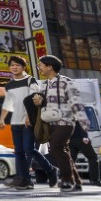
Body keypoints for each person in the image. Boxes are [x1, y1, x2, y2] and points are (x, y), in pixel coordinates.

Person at [32, 55, 89, 193]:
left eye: (41, 65)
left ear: (50, 67)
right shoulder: (43, 84)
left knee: (56, 148)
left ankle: (66, 179)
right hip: (49, 123)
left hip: (65, 122)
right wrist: (39, 102)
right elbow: (42, 103)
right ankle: (77, 181)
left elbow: (76, 103)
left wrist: (84, 125)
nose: (39, 67)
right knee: (64, 151)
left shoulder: (66, 82)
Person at [0, 55, 50, 190]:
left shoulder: (30, 80)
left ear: (23, 67)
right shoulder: (9, 84)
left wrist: (28, 115)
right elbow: (8, 103)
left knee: (28, 149)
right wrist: (2, 119)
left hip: (28, 122)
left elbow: (36, 98)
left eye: (17, 65)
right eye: (12, 65)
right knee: (19, 152)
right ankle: (24, 180)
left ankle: (50, 170)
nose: (14, 67)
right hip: (15, 122)